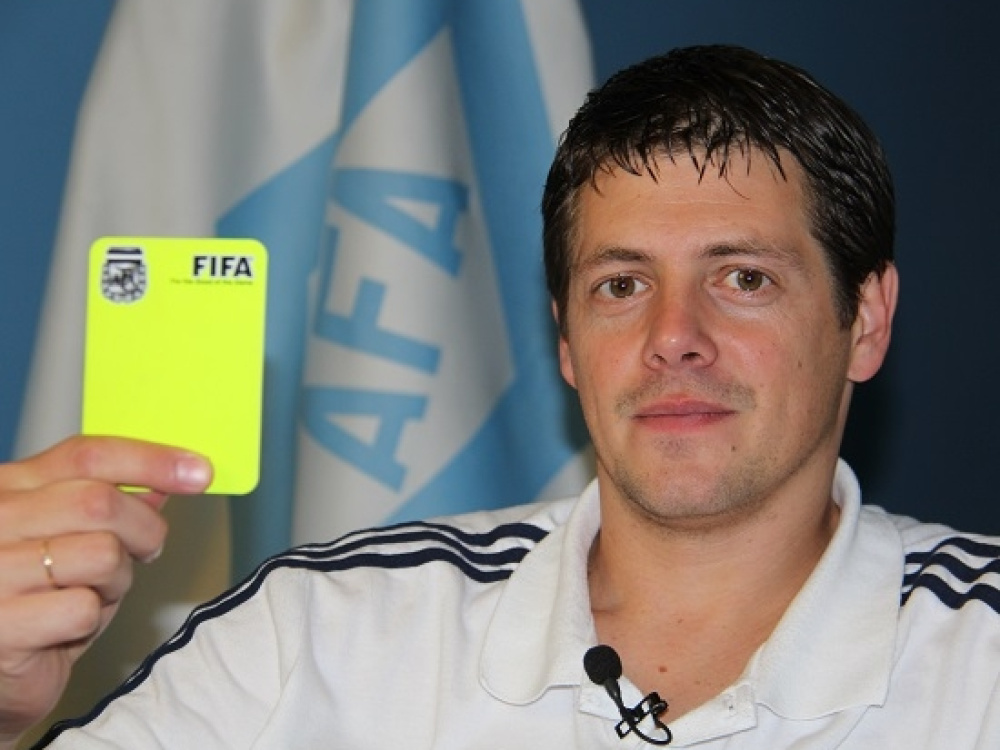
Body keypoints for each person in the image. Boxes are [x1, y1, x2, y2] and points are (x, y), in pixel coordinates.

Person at [3, 43, 999, 748]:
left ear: (865, 321)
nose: (672, 338)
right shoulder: (312, 634)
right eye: (621, 285)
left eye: (743, 278)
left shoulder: (978, 659)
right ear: (565, 340)